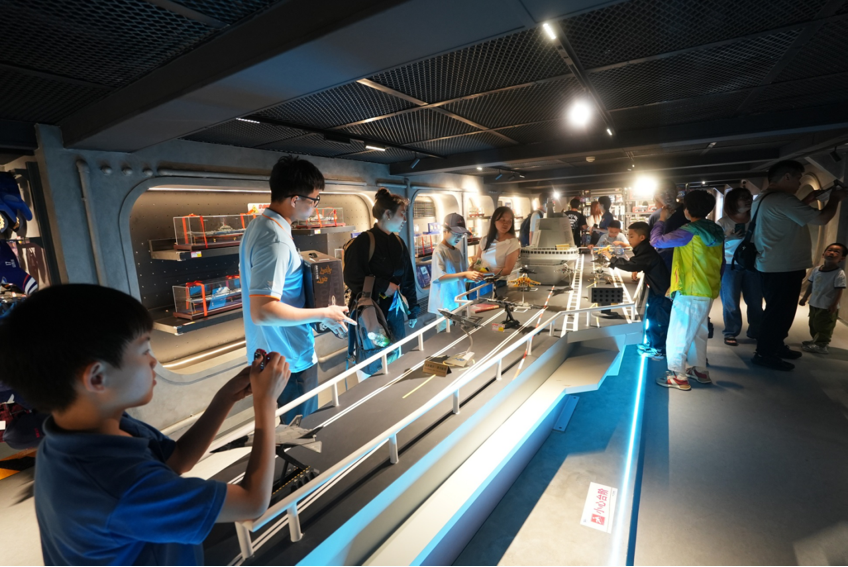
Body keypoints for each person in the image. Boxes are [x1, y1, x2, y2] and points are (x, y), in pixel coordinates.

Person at [0, 284, 291, 565]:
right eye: (143, 351)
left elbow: (178, 460)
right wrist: (266, 402)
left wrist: (226, 396)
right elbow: (251, 503)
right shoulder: (120, 484)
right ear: (97, 377)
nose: (153, 362)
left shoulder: (86, 432)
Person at [240, 156, 353, 423]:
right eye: (314, 200)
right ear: (295, 199)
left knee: (280, 433)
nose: (315, 206)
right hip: (289, 360)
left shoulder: (259, 225)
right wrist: (325, 313)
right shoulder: (275, 241)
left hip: (271, 355)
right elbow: (263, 311)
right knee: (299, 434)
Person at [750, 160, 846, 370]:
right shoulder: (783, 199)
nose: (798, 183)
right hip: (783, 267)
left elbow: (785, 219)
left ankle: (775, 346)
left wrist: (807, 200)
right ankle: (765, 353)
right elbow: (822, 218)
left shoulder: (764, 197)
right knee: (779, 313)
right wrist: (835, 199)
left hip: (773, 264)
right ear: (786, 177)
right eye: (797, 178)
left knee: (778, 311)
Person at [651, 190, 725, 390]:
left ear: (687, 210)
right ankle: (699, 370)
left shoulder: (689, 231)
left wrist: (661, 220)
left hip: (690, 290)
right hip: (707, 288)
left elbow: (656, 241)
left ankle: (678, 375)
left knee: (679, 333)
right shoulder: (716, 230)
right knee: (698, 332)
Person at [344, 188, 420, 368]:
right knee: (373, 357)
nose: (404, 219)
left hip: (394, 311)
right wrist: (383, 285)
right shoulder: (364, 241)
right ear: (387, 214)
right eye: (402, 213)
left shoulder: (398, 243)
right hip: (370, 313)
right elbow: (351, 276)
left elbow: (408, 278)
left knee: (396, 357)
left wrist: (412, 308)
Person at [602, 222, 672, 358]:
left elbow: (631, 264)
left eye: (631, 236)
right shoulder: (645, 249)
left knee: (659, 321)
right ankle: (652, 344)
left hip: (661, 293)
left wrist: (611, 258)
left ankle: (659, 349)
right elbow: (637, 263)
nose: (629, 239)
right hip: (657, 291)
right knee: (652, 318)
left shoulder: (646, 252)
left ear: (642, 237)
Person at [717, 187, 763, 346]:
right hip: (730, 265)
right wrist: (728, 237)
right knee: (730, 301)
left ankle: (756, 331)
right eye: (743, 198)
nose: (748, 200)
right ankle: (731, 332)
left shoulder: (756, 218)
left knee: (755, 301)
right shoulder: (723, 222)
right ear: (733, 202)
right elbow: (714, 245)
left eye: (749, 197)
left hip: (753, 263)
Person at [428, 213, 484, 321]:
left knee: (459, 329)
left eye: (461, 234)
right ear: (445, 231)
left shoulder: (457, 251)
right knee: (447, 331)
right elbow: (440, 278)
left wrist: (474, 276)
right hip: (444, 305)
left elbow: (463, 276)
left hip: (458, 301)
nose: (459, 237)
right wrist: (465, 274)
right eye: (456, 234)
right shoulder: (439, 251)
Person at [799, 243, 847, 354]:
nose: (832, 253)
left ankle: (822, 345)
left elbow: (839, 290)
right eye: (830, 250)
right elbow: (811, 284)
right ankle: (815, 341)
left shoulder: (839, 273)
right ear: (823, 254)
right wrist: (805, 297)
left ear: (842, 258)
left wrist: (834, 304)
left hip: (827, 305)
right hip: (815, 303)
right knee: (813, 323)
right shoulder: (816, 270)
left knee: (824, 326)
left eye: (836, 252)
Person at [471, 206, 521, 295]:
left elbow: (507, 270)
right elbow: (478, 260)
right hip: (480, 281)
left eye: (509, 221)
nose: (506, 223)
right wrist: (472, 268)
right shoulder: (485, 240)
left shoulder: (513, 243)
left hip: (497, 283)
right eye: (502, 220)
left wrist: (486, 273)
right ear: (494, 220)